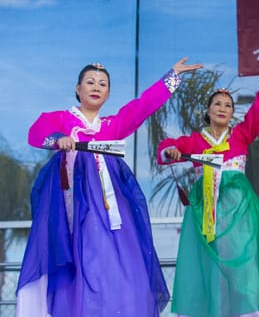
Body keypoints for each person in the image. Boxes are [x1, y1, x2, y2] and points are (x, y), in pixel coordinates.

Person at [16, 58, 203, 317]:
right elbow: (37, 131)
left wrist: (172, 77)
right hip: (73, 204)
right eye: (90, 82)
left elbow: (143, 106)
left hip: (109, 208)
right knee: (78, 261)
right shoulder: (62, 119)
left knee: (121, 264)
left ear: (109, 93)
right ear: (78, 89)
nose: (96, 87)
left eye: (103, 84)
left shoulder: (112, 126)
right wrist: (60, 139)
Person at [157, 52, 259, 317]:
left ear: (232, 113)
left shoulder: (242, 134)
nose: (222, 108)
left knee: (243, 265)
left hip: (239, 212)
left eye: (228, 105)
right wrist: (171, 150)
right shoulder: (195, 141)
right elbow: (165, 148)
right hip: (207, 213)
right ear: (207, 111)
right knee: (210, 266)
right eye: (217, 103)